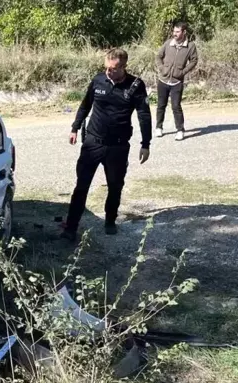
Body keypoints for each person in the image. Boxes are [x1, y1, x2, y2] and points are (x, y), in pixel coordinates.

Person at [62, 48, 152, 242]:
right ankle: (70, 227)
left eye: (113, 69)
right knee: (81, 186)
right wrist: (75, 128)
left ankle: (110, 220)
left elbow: (144, 115)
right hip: (92, 143)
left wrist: (146, 143)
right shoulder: (98, 80)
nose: (108, 72)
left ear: (123, 67)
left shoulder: (135, 85)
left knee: (115, 186)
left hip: (118, 147)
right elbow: (85, 105)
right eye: (106, 68)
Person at [155, 22, 199, 141]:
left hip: (177, 82)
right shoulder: (168, 43)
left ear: (184, 32)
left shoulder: (190, 46)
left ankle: (180, 130)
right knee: (161, 105)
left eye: (177, 32)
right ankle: (159, 127)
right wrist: (162, 68)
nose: (174, 34)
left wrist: (182, 72)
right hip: (163, 80)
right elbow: (158, 56)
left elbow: (194, 61)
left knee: (176, 106)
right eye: (174, 31)